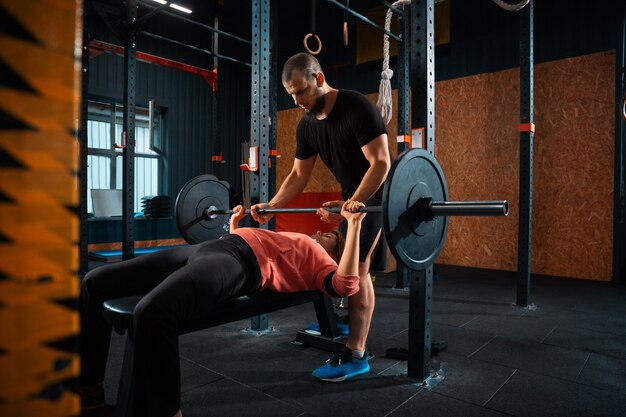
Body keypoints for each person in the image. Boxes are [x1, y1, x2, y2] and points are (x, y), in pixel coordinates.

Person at [79, 201, 366, 417]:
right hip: (212, 248)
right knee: (94, 282)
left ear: (335, 252)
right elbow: (258, 242)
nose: (319, 232)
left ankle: (167, 411)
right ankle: (89, 392)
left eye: (328, 236)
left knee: (153, 311)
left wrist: (352, 226)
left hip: (240, 264)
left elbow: (347, 285)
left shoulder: (323, 264)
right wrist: (237, 223)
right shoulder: (297, 240)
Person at [251, 52, 391, 382]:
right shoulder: (307, 125)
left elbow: (382, 163)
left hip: (376, 198)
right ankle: (344, 323)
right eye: (291, 94)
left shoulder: (357, 107)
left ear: (318, 78)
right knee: (335, 257)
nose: (297, 100)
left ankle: (357, 354)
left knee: (356, 273)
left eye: (301, 91)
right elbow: (299, 175)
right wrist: (271, 206)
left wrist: (354, 202)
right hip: (351, 200)